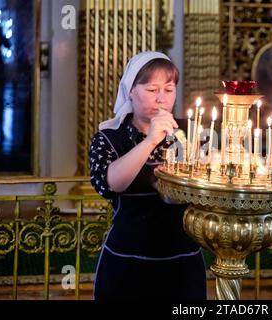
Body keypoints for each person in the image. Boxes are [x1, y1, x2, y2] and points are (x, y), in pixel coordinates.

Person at [89, 51, 207, 300]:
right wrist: (152, 139)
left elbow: (210, 183)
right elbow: (111, 184)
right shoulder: (109, 138)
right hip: (127, 260)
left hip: (183, 260)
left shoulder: (194, 134)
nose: (162, 99)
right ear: (131, 90)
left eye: (169, 89)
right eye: (152, 90)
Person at [0, 22, 10, 149]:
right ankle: (0, 131)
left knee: (0, 103)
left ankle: (1, 131)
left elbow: (7, 44)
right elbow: (7, 44)